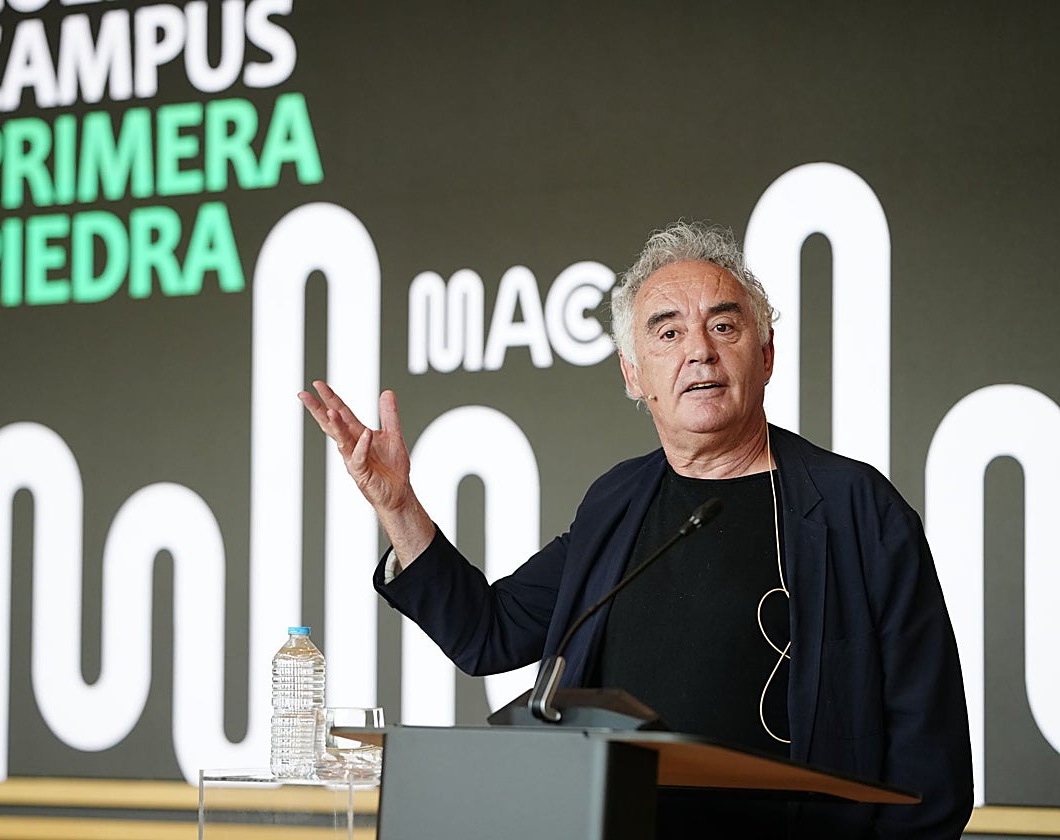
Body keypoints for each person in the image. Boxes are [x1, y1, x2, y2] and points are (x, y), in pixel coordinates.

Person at [298, 220, 973, 838]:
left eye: (725, 327)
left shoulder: (857, 509)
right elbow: (488, 632)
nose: (700, 352)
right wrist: (397, 504)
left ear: (765, 357)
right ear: (633, 374)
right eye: (668, 332)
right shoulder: (616, 502)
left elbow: (930, 764)